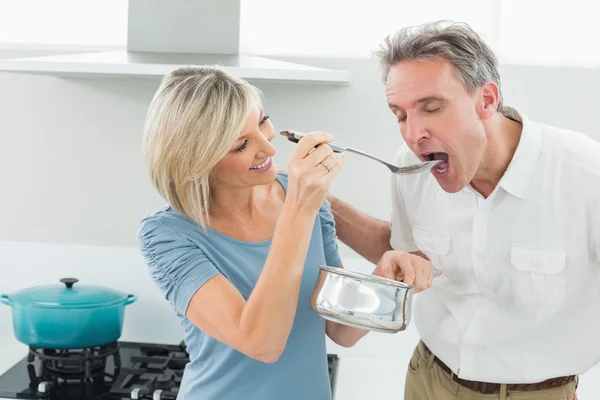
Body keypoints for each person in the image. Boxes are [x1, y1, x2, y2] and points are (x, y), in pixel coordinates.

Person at [327, 20, 600, 400]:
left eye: (432, 108)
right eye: (400, 114)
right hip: (428, 380)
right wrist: (317, 203)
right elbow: (409, 254)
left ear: (486, 100)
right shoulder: (410, 167)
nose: (413, 133)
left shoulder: (587, 176)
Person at [136, 66, 434, 400]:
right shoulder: (167, 235)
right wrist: (300, 207)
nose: (269, 149)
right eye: (240, 145)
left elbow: (338, 329)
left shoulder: (299, 195)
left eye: (263, 122)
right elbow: (260, 344)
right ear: (197, 160)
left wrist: (385, 278)